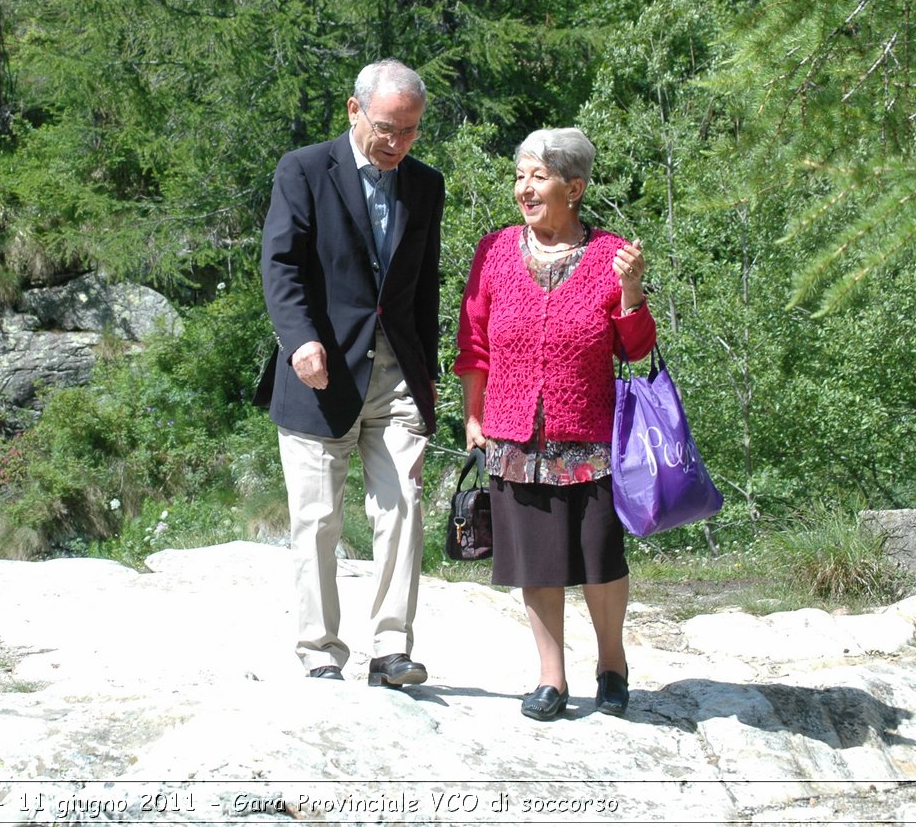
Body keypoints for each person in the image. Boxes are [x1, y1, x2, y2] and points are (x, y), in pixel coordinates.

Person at [454, 127, 655, 720]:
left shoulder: (610, 254)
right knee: (535, 560)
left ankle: (612, 666)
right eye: (520, 176)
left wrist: (632, 290)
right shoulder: (493, 251)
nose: (524, 188)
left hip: (588, 433)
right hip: (512, 432)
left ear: (574, 187)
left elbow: (637, 351)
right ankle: (550, 678)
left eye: (537, 177)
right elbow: (473, 343)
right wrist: (473, 415)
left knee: (599, 557)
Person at [256, 58, 445, 687]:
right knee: (317, 519)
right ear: (354, 110)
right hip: (320, 371)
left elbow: (423, 287)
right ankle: (319, 650)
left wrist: (430, 370)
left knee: (404, 506)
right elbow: (280, 265)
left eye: (411, 131)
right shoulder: (304, 170)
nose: (397, 143)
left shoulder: (425, 185)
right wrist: (298, 340)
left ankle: (391, 649)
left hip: (396, 374)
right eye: (388, 128)